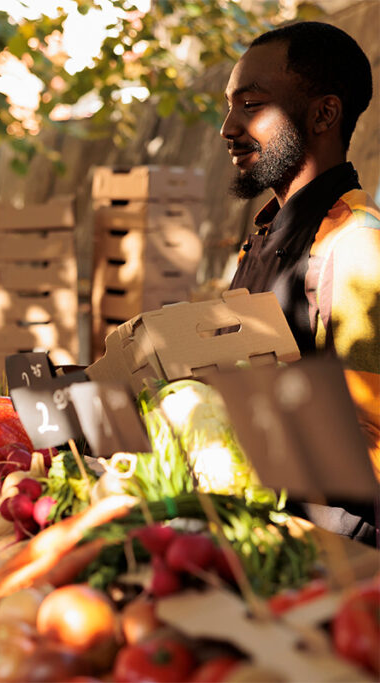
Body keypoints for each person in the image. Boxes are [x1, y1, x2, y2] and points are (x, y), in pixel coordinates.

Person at [222, 21, 379, 541]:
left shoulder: (356, 245)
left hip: (328, 554)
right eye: (229, 105)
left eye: (250, 104)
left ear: (323, 114)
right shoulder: (266, 233)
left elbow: (370, 445)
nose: (227, 128)